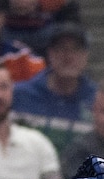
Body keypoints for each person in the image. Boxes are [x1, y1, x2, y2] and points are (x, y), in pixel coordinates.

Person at [10, 20, 95, 153]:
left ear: (86, 56)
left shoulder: (98, 100)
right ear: (50, 54)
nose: (69, 57)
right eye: (61, 49)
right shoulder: (19, 95)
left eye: (76, 49)